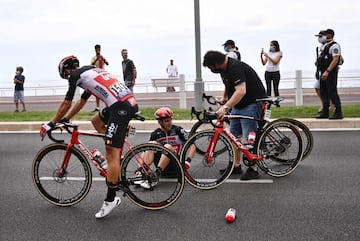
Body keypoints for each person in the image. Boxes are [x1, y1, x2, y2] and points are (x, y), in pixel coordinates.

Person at [39, 55, 138, 219]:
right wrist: (66, 119)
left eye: (65, 75)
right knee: (96, 120)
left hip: (120, 107)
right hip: (126, 103)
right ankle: (113, 160)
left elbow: (67, 102)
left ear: (67, 71)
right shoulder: (90, 72)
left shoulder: (75, 75)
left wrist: (51, 123)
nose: (67, 78)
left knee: (112, 155)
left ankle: (111, 200)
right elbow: (81, 102)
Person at [202, 50, 267, 180]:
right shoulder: (223, 69)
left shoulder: (235, 67)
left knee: (248, 138)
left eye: (211, 68)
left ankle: (253, 168)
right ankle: (236, 166)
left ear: (216, 63)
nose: (211, 70)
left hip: (252, 102)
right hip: (238, 104)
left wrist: (226, 107)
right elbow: (228, 84)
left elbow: (241, 91)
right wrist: (225, 97)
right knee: (234, 137)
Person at [135, 107, 196, 188]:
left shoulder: (179, 130)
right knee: (151, 144)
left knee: (167, 147)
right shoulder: (155, 134)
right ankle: (142, 173)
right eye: (167, 121)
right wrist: (140, 166)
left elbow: (192, 145)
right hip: (162, 166)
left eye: (170, 120)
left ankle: (156, 174)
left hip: (176, 165)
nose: (170, 123)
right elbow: (145, 153)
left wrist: (188, 161)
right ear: (160, 122)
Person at [316, 29, 344, 119]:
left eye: (324, 35)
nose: (322, 37)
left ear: (330, 35)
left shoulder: (334, 46)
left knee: (332, 91)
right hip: (323, 71)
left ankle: (338, 111)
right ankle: (325, 111)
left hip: (330, 72)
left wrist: (327, 71)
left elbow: (335, 59)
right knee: (324, 92)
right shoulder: (324, 46)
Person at [314, 30, 335, 113]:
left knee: (329, 90)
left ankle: (331, 105)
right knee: (318, 88)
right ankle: (324, 104)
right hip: (321, 72)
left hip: (329, 72)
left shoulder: (331, 46)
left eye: (320, 36)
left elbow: (339, 59)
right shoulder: (320, 48)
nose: (319, 38)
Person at [91, 44, 109, 112]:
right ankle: (97, 107)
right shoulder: (93, 57)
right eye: (97, 49)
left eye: (99, 49)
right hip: (96, 75)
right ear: (95, 50)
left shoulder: (103, 57)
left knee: (105, 91)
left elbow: (107, 63)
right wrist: (97, 59)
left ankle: (107, 106)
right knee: (97, 91)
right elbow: (92, 64)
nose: (98, 50)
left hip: (103, 74)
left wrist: (103, 58)